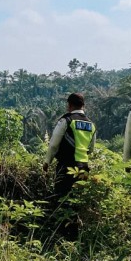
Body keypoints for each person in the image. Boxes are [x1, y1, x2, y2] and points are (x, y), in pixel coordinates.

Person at [43, 93, 96, 239]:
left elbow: (53, 144)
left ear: (69, 105)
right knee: (77, 202)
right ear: (83, 105)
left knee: (62, 201)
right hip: (84, 168)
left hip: (67, 167)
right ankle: (76, 236)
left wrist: (47, 162)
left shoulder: (66, 120)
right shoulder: (90, 124)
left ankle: (62, 236)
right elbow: (91, 149)